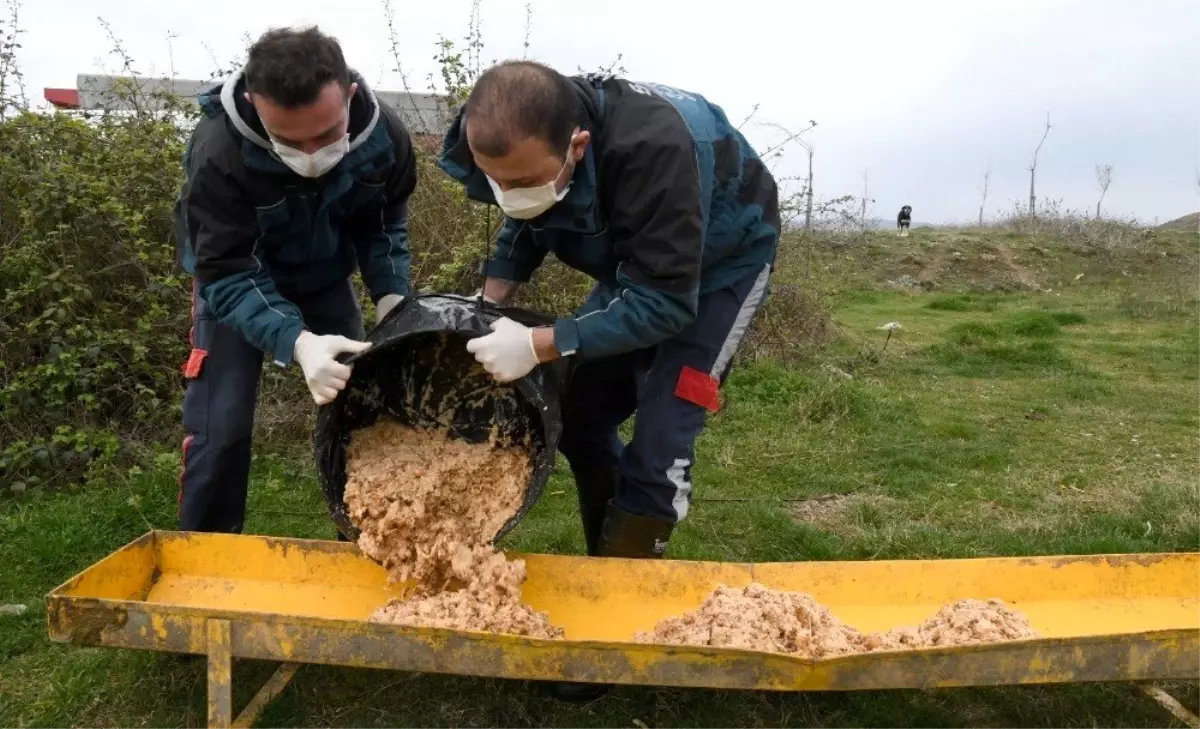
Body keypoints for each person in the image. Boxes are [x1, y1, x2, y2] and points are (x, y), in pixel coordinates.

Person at [441, 62, 778, 576]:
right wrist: (490, 296)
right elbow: (528, 214)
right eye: (498, 182)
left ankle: (627, 592)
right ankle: (604, 560)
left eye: (526, 181)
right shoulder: (503, 132)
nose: (510, 193)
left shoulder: (654, 152)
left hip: (720, 269)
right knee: (577, 415)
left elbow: (665, 304)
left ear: (577, 145)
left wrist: (539, 344)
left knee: (662, 443)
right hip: (639, 266)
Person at [173, 27, 417, 533]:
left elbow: (382, 224)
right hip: (234, 286)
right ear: (253, 104)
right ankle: (207, 563)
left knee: (364, 414)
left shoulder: (386, 137)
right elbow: (226, 270)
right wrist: (297, 343)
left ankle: (369, 545)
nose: (311, 155)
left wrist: (393, 296)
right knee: (222, 429)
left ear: (349, 95)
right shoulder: (218, 152)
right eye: (290, 140)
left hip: (326, 276)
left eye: (327, 135)